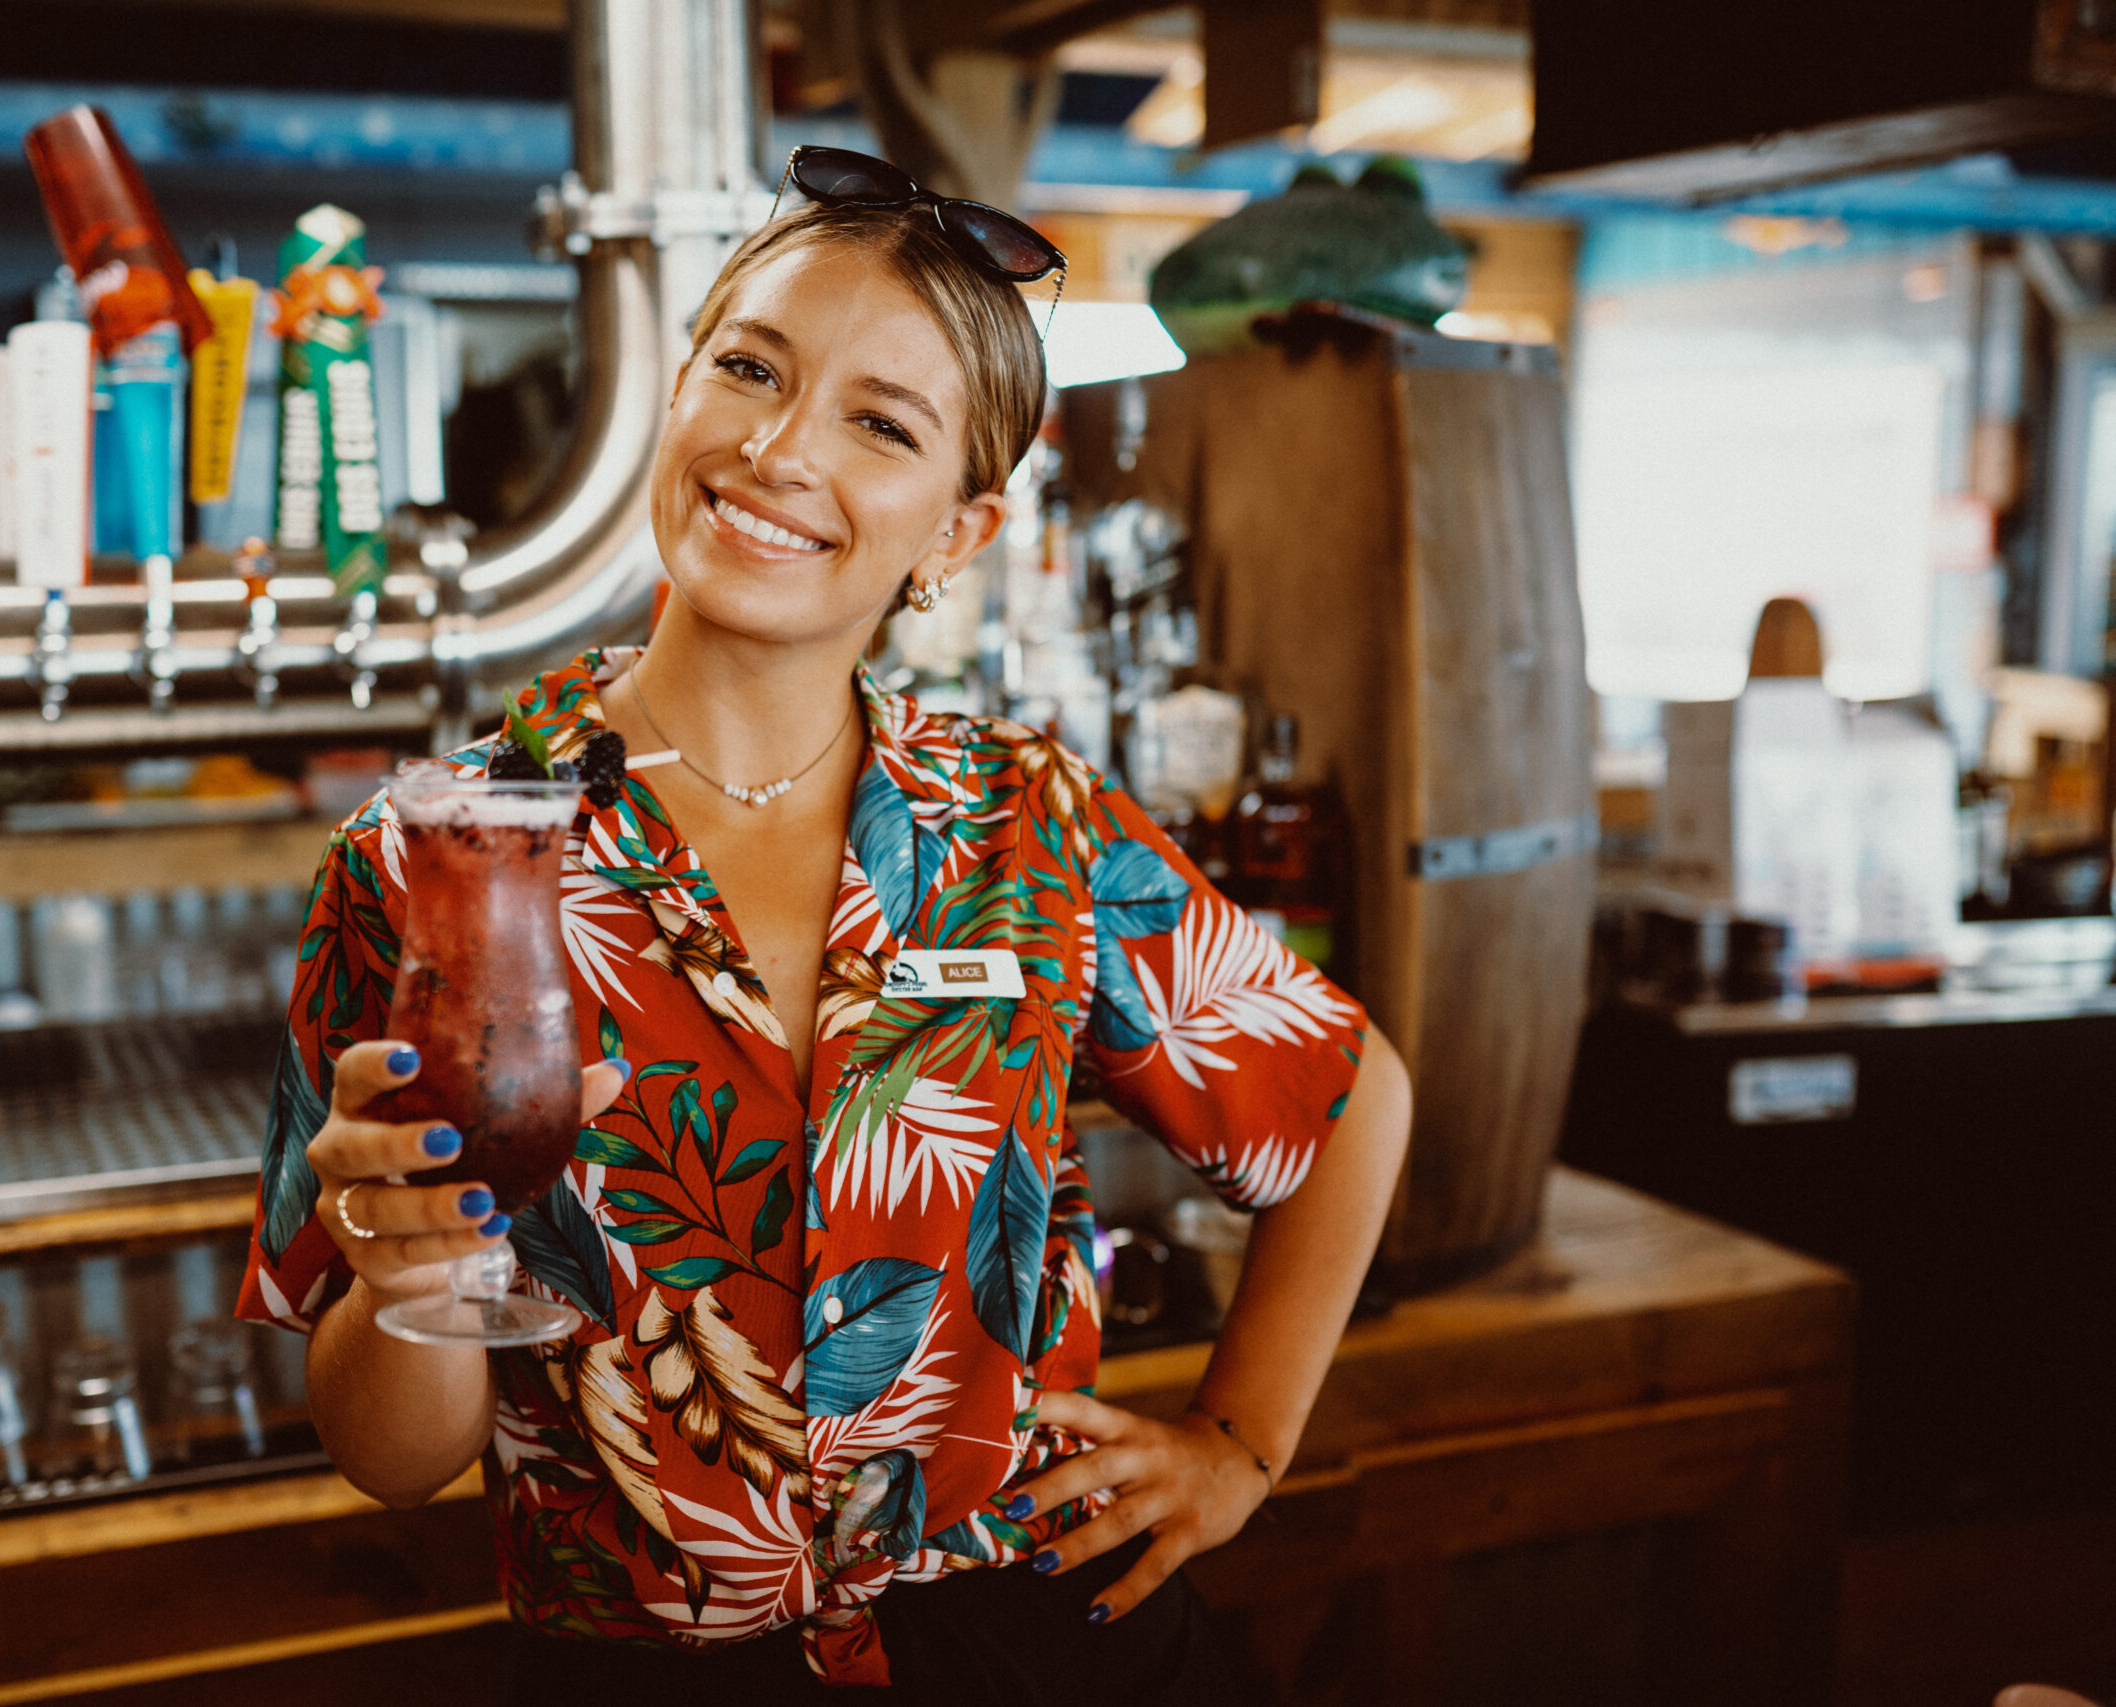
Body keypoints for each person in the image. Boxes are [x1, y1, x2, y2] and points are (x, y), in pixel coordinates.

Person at [239, 147, 1413, 1701]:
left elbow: (1345, 1104)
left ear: (958, 533)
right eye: (750, 369)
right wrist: (409, 1284)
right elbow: (390, 1465)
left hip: (1035, 1645)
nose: (782, 449)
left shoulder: (1027, 820)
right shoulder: (433, 858)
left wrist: (1241, 1443)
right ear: (675, 398)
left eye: (882, 423)